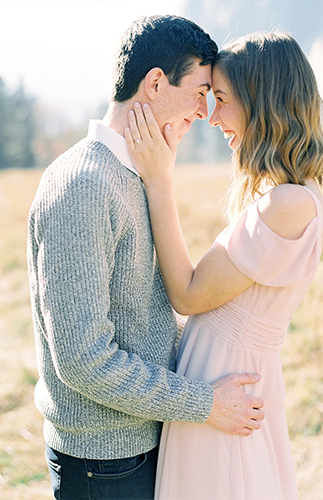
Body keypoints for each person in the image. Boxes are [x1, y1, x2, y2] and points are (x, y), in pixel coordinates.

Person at [27, 15, 265, 500]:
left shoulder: (133, 174)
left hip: (140, 445)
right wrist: (204, 403)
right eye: (200, 91)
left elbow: (141, 315)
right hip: (105, 463)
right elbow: (82, 359)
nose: (204, 112)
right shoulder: (84, 187)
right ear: (156, 82)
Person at [125, 31, 323, 500]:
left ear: (262, 101)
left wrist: (158, 180)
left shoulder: (289, 203)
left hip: (224, 393)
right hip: (222, 388)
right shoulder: (293, 194)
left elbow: (189, 294)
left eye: (221, 100)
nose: (212, 118)